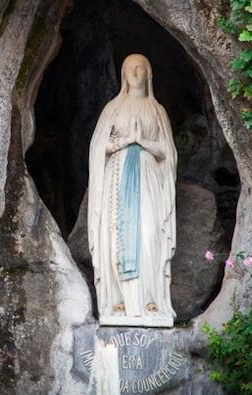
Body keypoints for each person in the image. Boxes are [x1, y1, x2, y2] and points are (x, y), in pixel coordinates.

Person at [87, 54, 177, 327]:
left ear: (149, 74)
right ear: (123, 75)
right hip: (116, 179)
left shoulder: (157, 111)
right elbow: (97, 148)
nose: (135, 72)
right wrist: (126, 141)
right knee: (116, 235)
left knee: (149, 236)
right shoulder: (113, 108)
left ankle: (152, 301)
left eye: (140, 68)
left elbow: (168, 153)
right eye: (129, 68)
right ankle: (120, 301)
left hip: (149, 180)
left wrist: (144, 143)